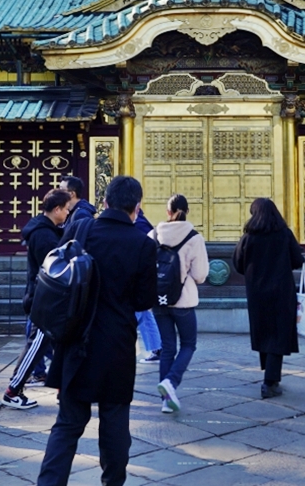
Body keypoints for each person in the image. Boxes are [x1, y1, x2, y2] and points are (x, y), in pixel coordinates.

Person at [38, 175, 158, 486]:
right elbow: (145, 300)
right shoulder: (143, 245)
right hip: (117, 343)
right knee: (115, 420)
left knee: (67, 423)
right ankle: (113, 482)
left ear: (105, 202)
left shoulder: (83, 227)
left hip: (77, 336)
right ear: (136, 207)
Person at [2, 188, 74, 410]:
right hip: (45, 298)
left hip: (48, 298)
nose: (68, 214)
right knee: (37, 345)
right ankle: (12, 390)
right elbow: (53, 268)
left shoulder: (47, 229)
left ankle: (64, 388)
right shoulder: (43, 235)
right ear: (56, 209)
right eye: (66, 209)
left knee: (53, 345)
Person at [232, 197, 304, 399]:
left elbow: (237, 263)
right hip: (281, 291)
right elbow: (297, 259)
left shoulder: (249, 237)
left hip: (257, 293)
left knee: (264, 333)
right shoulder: (284, 234)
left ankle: (269, 374)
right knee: (278, 336)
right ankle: (270, 382)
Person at [149, 194, 208, 414]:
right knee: (188, 344)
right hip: (183, 302)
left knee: (167, 348)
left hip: (158, 300)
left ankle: (166, 400)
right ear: (187, 211)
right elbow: (201, 275)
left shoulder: (153, 235)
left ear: (167, 211)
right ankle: (171, 382)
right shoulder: (194, 238)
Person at [132, 207, 162, 363]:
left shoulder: (140, 225)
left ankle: (155, 348)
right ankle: (155, 347)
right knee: (143, 315)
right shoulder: (142, 224)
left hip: (139, 278)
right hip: (142, 278)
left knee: (143, 315)